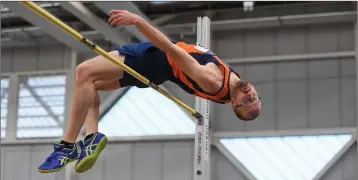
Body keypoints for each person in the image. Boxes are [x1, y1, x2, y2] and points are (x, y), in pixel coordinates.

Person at [38, 10, 261, 174]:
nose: (249, 94)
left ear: (234, 104)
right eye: (254, 98)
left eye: (246, 100)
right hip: (159, 73)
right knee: (89, 85)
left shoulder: (213, 81)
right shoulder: (233, 85)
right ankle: (91, 137)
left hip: (153, 58)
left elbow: (170, 49)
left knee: (83, 71)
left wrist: (138, 22)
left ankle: (66, 146)